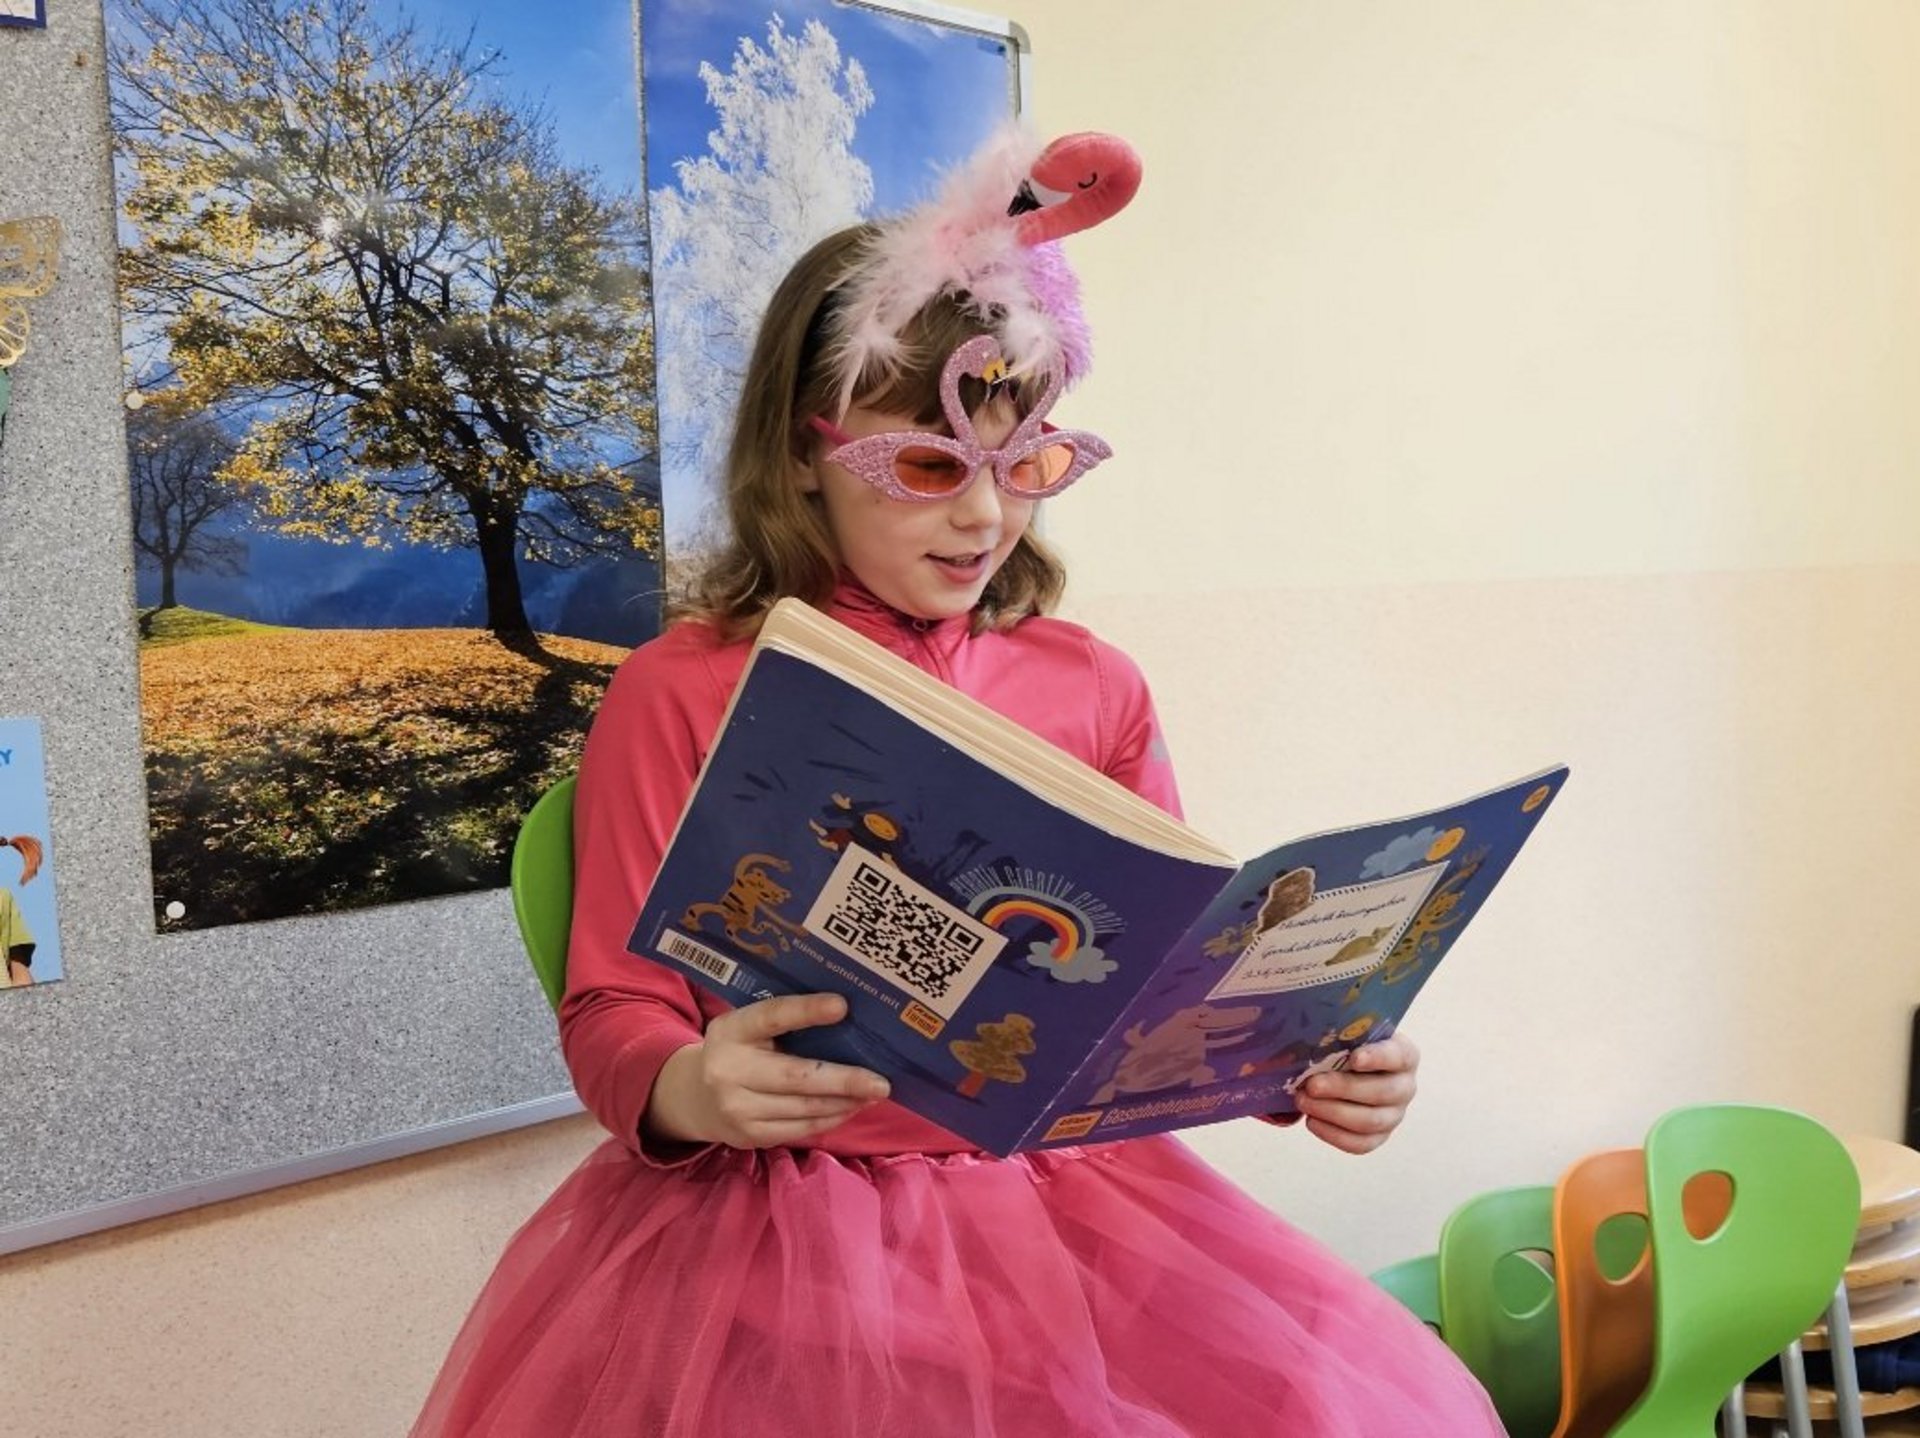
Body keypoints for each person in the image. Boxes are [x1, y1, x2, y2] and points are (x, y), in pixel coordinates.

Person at [412, 129, 1503, 1437]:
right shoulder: (684, 688)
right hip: (773, 1233)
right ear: (802, 454)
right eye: (929, 467)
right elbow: (612, 1003)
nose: (985, 517)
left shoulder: (1093, 683)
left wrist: (1298, 1064)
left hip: (1068, 1210)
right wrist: (688, 1086)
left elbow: (1156, 981)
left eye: (1026, 463)